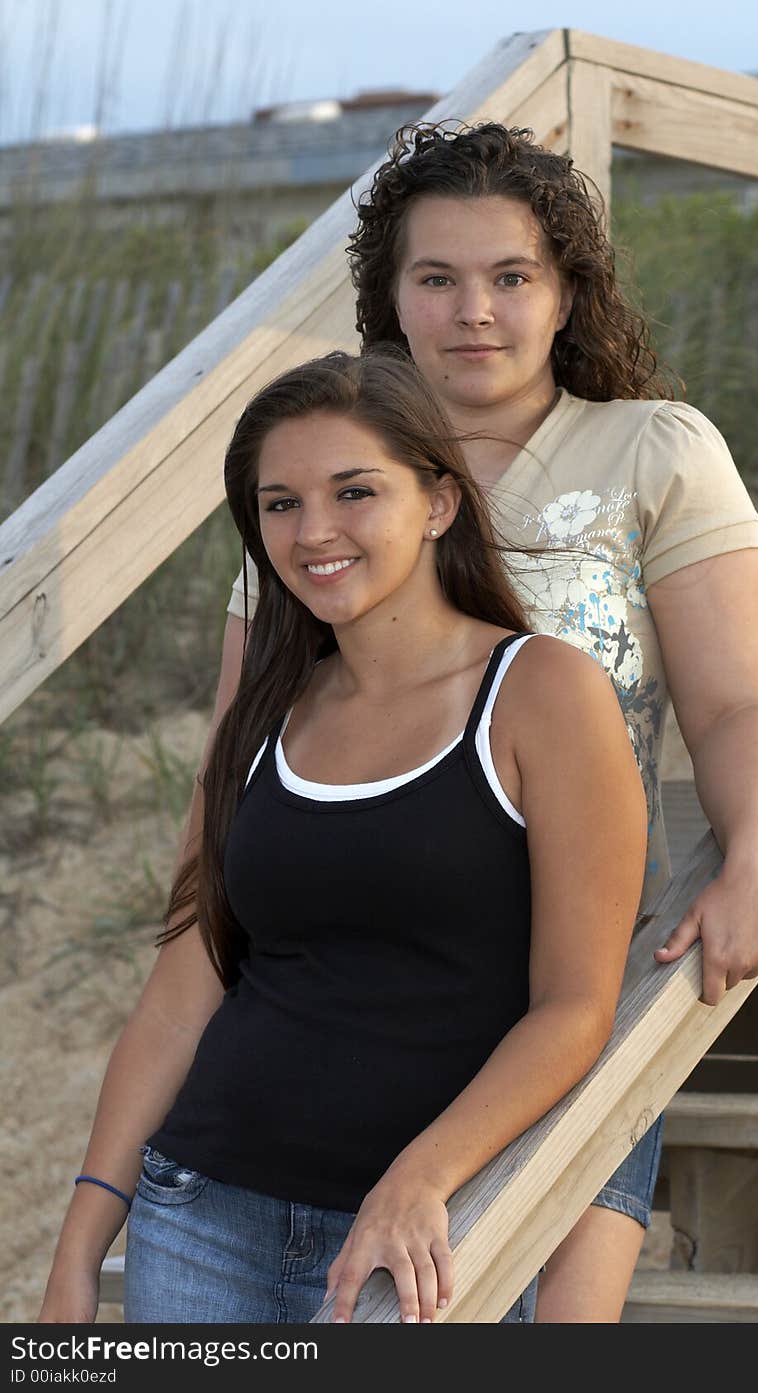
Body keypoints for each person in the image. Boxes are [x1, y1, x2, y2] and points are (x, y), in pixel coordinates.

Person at [221, 122, 758, 1321]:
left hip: (570, 992)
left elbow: (736, 698)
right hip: (345, 1000)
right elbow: (240, 765)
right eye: (436, 277)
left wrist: (753, 854)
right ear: (388, 298)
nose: (472, 309)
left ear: (567, 292)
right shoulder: (323, 479)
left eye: (511, 276)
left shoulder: (653, 448)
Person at [37, 349, 647, 1325]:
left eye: (353, 491)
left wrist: (419, 1179)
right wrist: (79, 1246)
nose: (314, 530)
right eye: (279, 503)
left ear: (438, 503)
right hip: (204, 1216)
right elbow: (179, 994)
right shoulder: (264, 711)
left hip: (428, 1230)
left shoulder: (540, 693)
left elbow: (575, 1006)